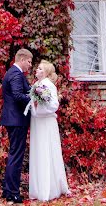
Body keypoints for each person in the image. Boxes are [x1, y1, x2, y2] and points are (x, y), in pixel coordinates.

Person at [28, 60, 70, 202]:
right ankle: (38, 188)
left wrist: (40, 105)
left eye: (39, 69)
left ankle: (48, 188)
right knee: (38, 151)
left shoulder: (49, 85)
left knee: (47, 151)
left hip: (46, 122)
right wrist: (33, 105)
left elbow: (53, 105)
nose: (36, 70)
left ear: (45, 72)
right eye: (37, 69)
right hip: (37, 122)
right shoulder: (35, 85)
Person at [0, 48, 33, 204]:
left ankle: (8, 191)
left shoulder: (13, 73)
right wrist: (35, 100)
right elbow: (18, 95)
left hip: (14, 120)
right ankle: (13, 193)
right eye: (29, 61)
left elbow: (23, 92)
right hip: (17, 121)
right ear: (22, 59)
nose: (30, 65)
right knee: (16, 157)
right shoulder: (15, 74)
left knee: (14, 155)